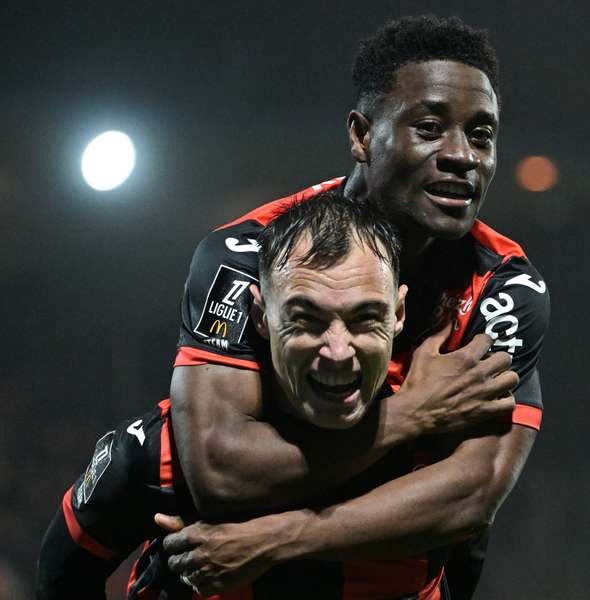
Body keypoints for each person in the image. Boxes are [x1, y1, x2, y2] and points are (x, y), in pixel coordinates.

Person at [156, 14, 551, 598]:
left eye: (482, 135)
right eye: (430, 127)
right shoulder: (245, 256)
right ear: (362, 135)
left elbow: (470, 494)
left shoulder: (505, 291)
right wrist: (412, 414)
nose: (462, 155)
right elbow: (220, 473)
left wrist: (281, 536)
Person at [36, 193, 517, 599]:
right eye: (306, 319)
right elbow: (61, 575)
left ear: (398, 313)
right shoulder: (159, 456)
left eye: (364, 318)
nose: (337, 351)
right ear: (262, 316)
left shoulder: (438, 473)